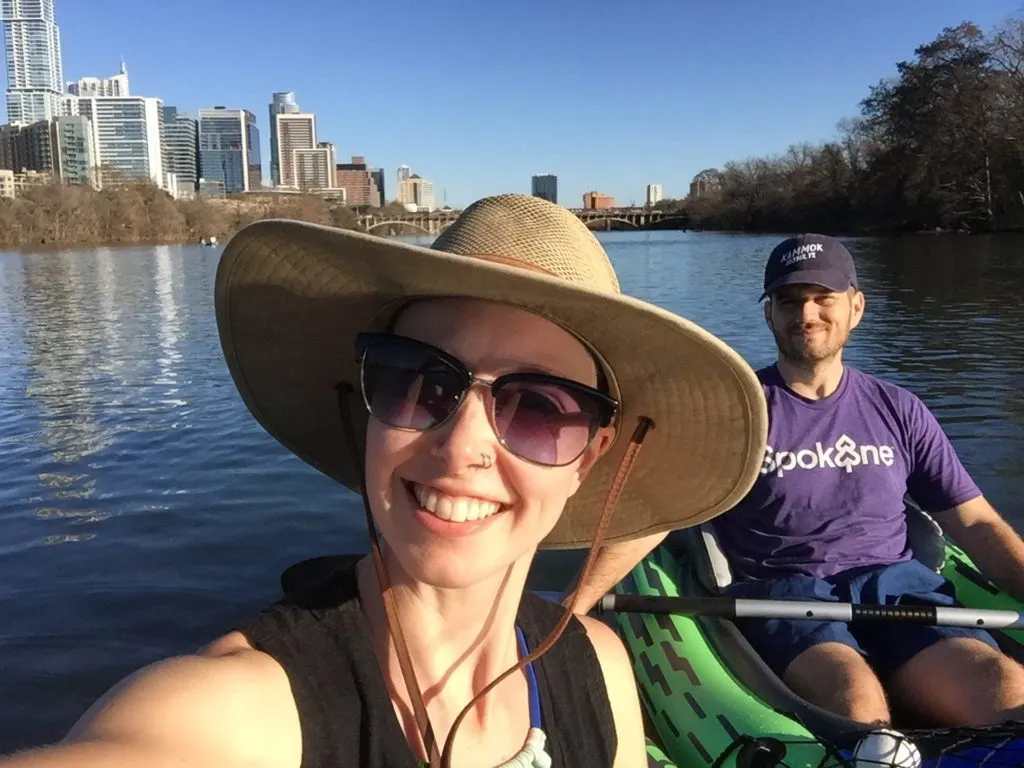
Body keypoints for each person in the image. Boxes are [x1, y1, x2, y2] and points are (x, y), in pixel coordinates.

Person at [1, 195, 768, 768]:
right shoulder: (242, 711)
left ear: (591, 457)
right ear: (364, 410)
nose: (462, 444)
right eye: (417, 382)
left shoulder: (600, 670)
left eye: (538, 408)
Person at [570, 233, 1024, 728]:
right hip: (788, 595)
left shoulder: (901, 410)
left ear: (856, 307)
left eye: (823, 298)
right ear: (770, 314)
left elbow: (975, 522)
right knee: (857, 706)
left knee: (1005, 689)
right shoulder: (736, 415)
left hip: (899, 589)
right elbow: (664, 514)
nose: (806, 314)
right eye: (789, 301)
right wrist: (572, 609)